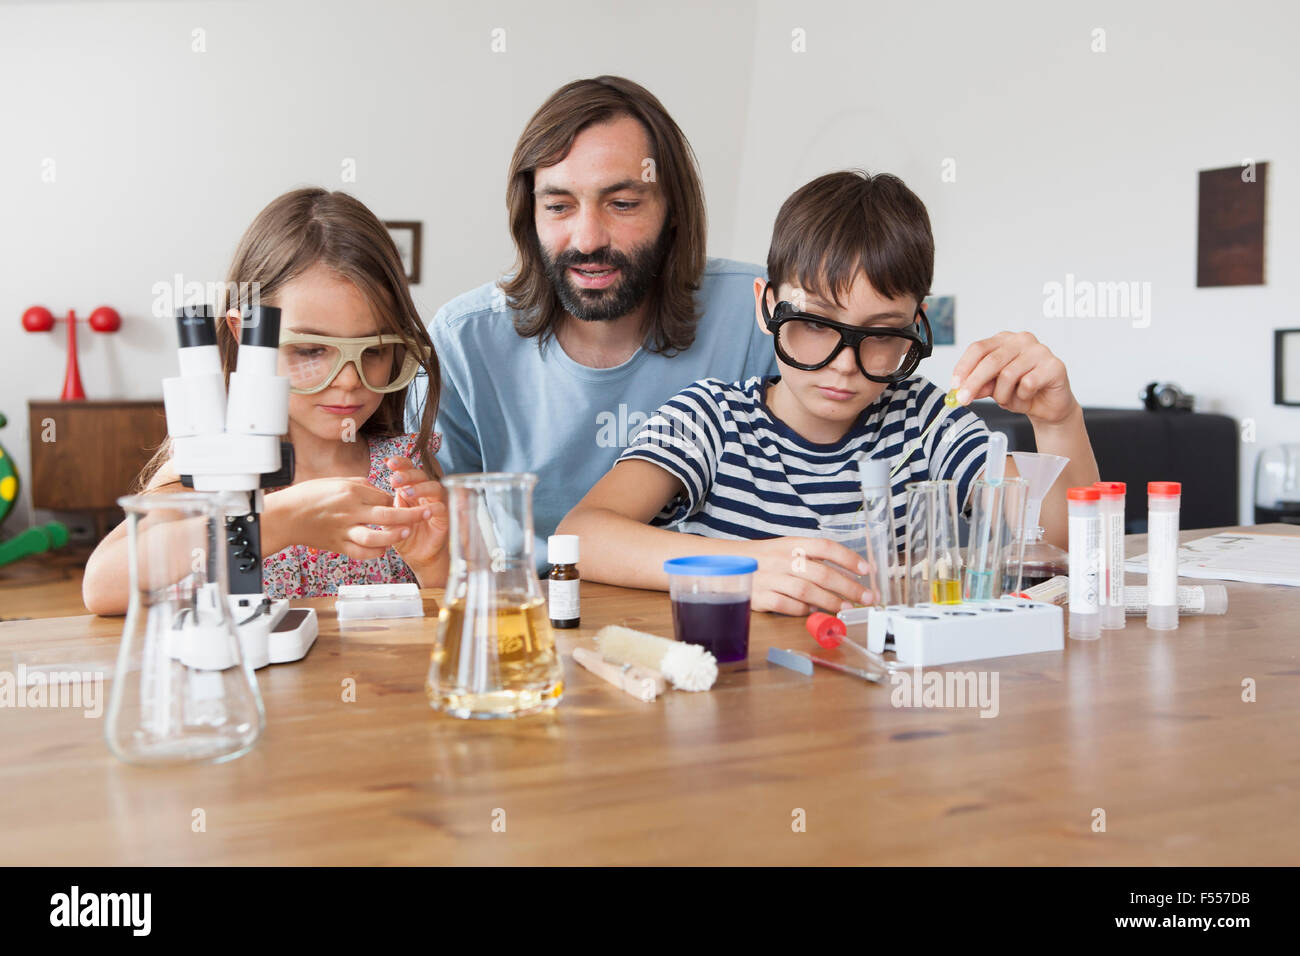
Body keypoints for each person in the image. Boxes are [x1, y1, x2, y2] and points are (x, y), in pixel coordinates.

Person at [558, 170, 1100, 615]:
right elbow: (583, 537)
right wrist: (742, 569)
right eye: (816, 323)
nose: (843, 366)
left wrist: (1058, 419)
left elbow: (1064, 545)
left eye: (883, 334)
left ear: (916, 323)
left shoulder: (923, 418)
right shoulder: (710, 418)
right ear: (767, 306)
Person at [407, 76, 775, 566]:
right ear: (529, 215)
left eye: (622, 204)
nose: (587, 239)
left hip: (716, 610)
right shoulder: (463, 341)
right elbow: (435, 544)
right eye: (558, 206)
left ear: (673, 212)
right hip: (537, 616)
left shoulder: (758, 315)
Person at [82, 188, 450, 614]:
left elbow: (450, 613)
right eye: (311, 351)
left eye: (373, 351)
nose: (349, 381)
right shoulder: (208, 468)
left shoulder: (406, 467)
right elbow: (103, 587)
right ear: (246, 336)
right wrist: (277, 520)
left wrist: (431, 563)